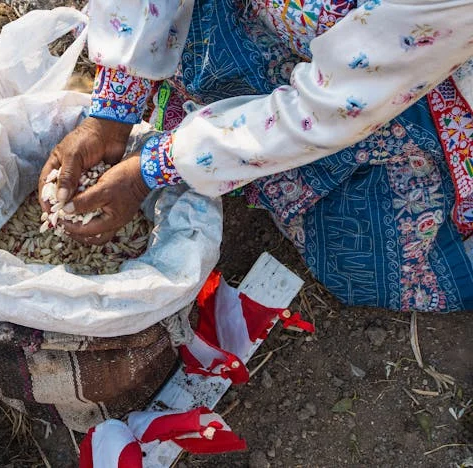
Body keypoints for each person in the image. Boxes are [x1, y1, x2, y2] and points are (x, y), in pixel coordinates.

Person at [39, 0, 473, 312]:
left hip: (405, 80)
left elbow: (330, 107)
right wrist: (112, 109)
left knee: (368, 265)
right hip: (275, 22)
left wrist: (147, 171)